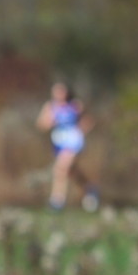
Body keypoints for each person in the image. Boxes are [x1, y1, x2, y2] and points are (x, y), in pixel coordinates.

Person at [36, 81, 99, 212]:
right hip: (59, 143)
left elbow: (89, 120)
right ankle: (89, 188)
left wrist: (81, 129)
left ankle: (57, 201)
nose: (59, 94)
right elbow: (41, 124)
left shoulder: (75, 105)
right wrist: (49, 122)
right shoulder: (50, 107)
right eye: (56, 91)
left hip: (74, 142)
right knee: (70, 171)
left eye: (61, 91)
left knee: (60, 168)